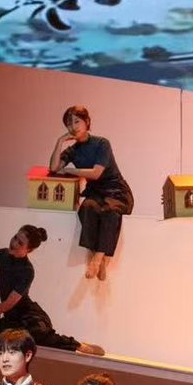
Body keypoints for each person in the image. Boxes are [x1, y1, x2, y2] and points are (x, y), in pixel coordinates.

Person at [0, 224, 104, 355]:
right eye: (15, 237)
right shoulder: (0, 255)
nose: (14, 243)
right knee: (7, 339)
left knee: (35, 337)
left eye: (20, 243)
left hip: (29, 315)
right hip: (12, 318)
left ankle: (78, 345)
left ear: (29, 250)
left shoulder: (27, 270)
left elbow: (8, 304)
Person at [51, 105, 134, 281]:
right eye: (69, 123)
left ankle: (96, 260)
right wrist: (59, 141)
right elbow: (53, 167)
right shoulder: (73, 150)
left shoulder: (102, 143)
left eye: (77, 121)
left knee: (110, 211)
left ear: (87, 122)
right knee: (87, 208)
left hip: (115, 191)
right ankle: (99, 257)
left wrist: (70, 170)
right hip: (95, 193)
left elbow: (96, 173)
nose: (73, 126)